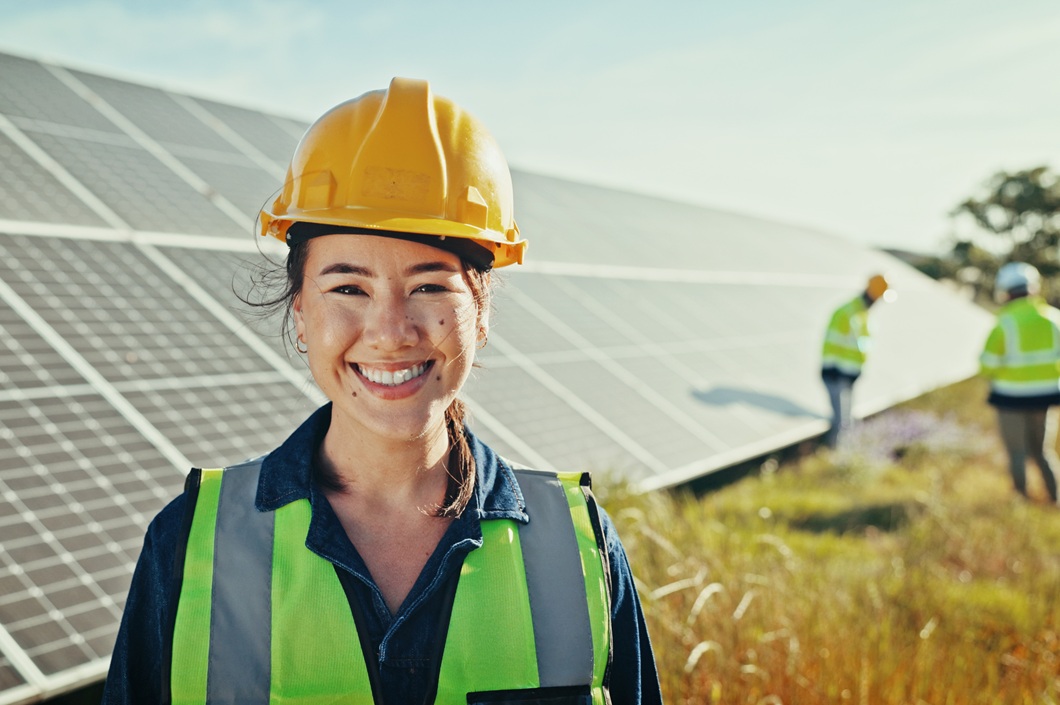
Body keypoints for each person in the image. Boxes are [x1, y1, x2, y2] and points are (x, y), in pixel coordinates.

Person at [101, 78, 662, 703]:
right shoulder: (188, 544)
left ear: (480, 313)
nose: (392, 333)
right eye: (348, 288)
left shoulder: (579, 545)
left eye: (429, 286)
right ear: (300, 315)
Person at [979, 262, 1060, 504]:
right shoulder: (1054, 320)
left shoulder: (1004, 324)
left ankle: (1021, 501)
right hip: (1046, 397)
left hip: (1010, 398)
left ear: (1004, 291)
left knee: (1017, 453)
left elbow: (986, 366)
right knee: (1043, 451)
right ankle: (1055, 500)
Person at [820, 274, 891, 447]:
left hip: (849, 376)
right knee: (842, 420)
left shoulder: (862, 314)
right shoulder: (848, 313)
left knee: (847, 417)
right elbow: (832, 345)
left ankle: (843, 449)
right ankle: (837, 453)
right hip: (837, 375)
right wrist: (833, 373)